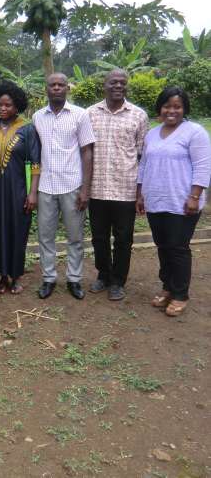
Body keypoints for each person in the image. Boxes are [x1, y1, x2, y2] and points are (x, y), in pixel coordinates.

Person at [136, 87, 211, 317]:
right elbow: (144, 165)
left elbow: (202, 166)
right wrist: (140, 194)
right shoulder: (152, 134)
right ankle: (167, 287)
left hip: (183, 202)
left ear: (184, 109)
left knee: (178, 248)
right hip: (156, 200)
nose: (172, 111)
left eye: (177, 106)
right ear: (160, 108)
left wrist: (194, 197)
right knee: (163, 246)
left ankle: (180, 294)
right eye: (167, 106)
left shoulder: (195, 132)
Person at [87, 69, 149, 301]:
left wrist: (140, 193)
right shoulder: (91, 113)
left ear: (127, 86)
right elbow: (86, 152)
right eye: (113, 82)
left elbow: (143, 156)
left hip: (125, 189)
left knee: (124, 239)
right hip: (97, 189)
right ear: (105, 85)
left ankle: (118, 281)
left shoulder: (138, 115)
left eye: (122, 82)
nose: (118, 86)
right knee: (99, 237)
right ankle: (103, 275)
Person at [33, 73, 95, 300]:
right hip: (46, 186)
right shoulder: (37, 116)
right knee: (45, 236)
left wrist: (85, 189)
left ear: (67, 88)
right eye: (52, 85)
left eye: (61, 85)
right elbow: (36, 154)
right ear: (46, 89)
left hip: (72, 185)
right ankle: (48, 278)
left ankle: (74, 279)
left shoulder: (80, 115)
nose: (57, 88)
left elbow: (87, 152)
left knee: (75, 236)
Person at [0, 82, 41, 294]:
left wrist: (32, 193)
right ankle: (2, 276)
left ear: (17, 106)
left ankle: (17, 276)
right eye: (0, 105)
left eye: (8, 105)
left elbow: (35, 163)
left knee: (16, 231)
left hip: (17, 190)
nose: (3, 109)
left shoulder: (27, 129)